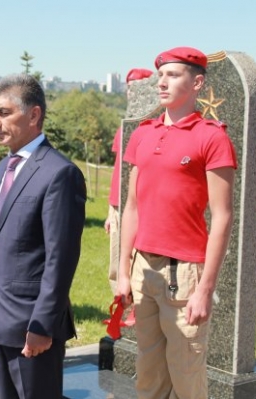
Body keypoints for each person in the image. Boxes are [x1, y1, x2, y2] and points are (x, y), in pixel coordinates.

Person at [117, 47, 237, 399]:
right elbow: (132, 207)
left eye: (173, 75)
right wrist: (124, 270)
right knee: (148, 376)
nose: (162, 81)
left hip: (183, 275)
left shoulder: (212, 137)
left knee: (187, 377)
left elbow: (223, 216)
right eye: (160, 75)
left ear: (197, 82)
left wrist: (205, 290)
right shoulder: (143, 133)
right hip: (144, 270)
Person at [0, 74, 86, 399]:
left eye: (4, 113)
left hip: (31, 326)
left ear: (34, 115)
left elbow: (60, 259)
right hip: (1, 318)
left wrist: (42, 325)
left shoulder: (59, 173)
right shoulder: (6, 166)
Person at [104, 68, 153, 294]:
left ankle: (131, 319)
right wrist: (110, 211)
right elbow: (118, 171)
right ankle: (118, 320)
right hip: (117, 206)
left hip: (137, 207)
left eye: (138, 87)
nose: (132, 92)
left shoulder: (150, 126)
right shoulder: (124, 125)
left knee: (133, 264)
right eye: (129, 87)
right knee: (116, 264)